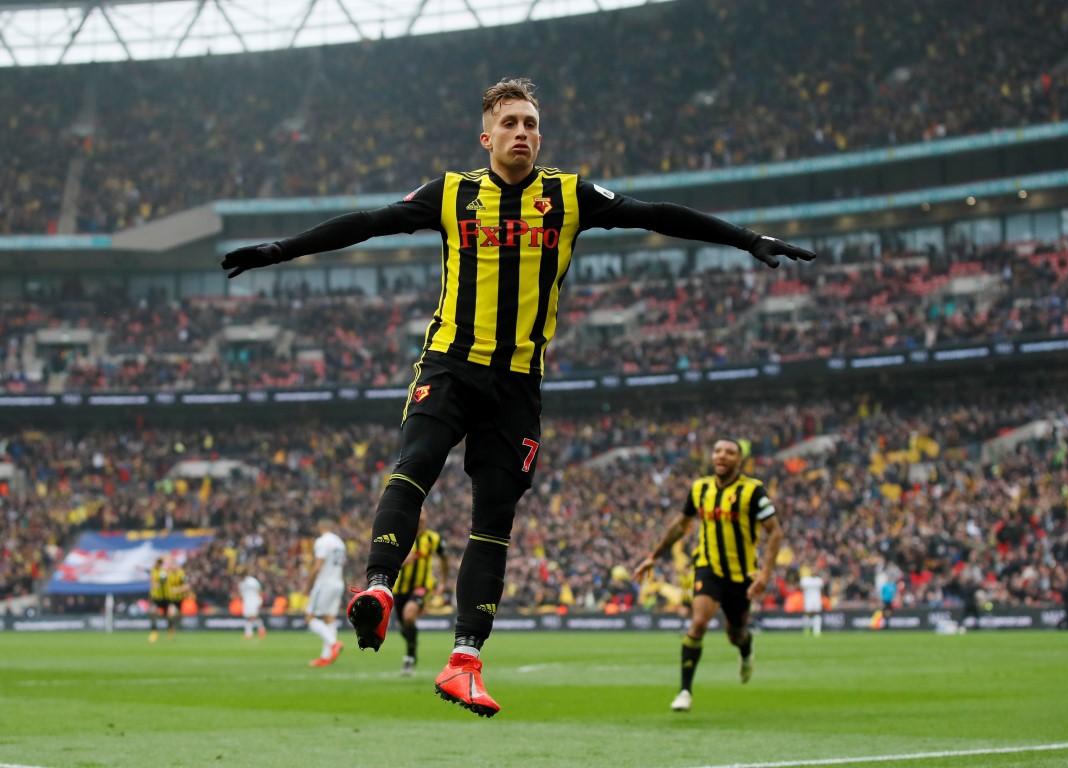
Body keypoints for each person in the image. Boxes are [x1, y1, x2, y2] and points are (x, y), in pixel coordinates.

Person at [221, 77, 815, 717]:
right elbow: (368, 223)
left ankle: (463, 663)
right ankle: (379, 588)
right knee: (414, 466)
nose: (524, 133)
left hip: (517, 385)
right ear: (487, 137)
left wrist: (746, 238)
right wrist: (282, 249)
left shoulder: (568, 195)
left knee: (493, 523)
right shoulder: (452, 194)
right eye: (511, 123)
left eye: (532, 123)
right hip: (451, 363)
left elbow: (657, 214)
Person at [632, 437, 784, 713]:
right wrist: (653, 556)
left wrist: (765, 574)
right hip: (708, 567)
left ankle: (746, 649)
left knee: (735, 633)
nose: (722, 456)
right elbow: (681, 525)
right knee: (699, 623)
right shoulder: (700, 488)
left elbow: (775, 531)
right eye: (717, 451)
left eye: (729, 452)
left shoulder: (753, 491)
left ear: (739, 460)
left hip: (741, 574)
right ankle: (685, 691)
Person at [393, 508, 450, 676]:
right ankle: (412, 643)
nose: (420, 520)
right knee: (405, 627)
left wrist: (444, 582)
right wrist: (401, 561)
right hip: (399, 588)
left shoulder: (434, 539)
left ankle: (410, 657)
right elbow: (388, 559)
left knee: (409, 614)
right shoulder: (401, 537)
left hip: (423, 586)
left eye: (423, 516)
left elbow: (444, 559)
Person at [304, 518, 347, 667]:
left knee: (310, 617)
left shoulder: (322, 541)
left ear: (320, 526)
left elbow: (318, 566)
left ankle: (334, 644)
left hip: (325, 583)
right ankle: (326, 656)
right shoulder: (340, 543)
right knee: (329, 619)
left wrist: (308, 583)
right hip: (338, 582)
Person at [149, 556, 189, 642]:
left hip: (174, 599)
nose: (172, 566)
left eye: (173, 564)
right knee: (153, 611)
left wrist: (177, 590)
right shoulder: (163, 573)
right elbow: (156, 580)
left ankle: (171, 628)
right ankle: (154, 631)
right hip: (161, 598)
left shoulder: (181, 573)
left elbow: (187, 585)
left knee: (172, 615)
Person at [238, 566, 267, 640]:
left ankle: (253, 632)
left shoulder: (252, 581)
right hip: (246, 601)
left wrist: (260, 600)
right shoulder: (241, 583)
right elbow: (241, 593)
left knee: (253, 616)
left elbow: (258, 590)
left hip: (254, 600)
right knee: (249, 617)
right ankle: (256, 631)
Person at [799, 567, 825, 637]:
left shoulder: (819, 580)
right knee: (807, 614)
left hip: (817, 600)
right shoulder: (805, 580)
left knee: (817, 614)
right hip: (808, 599)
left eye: (815, 570)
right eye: (813, 570)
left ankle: (817, 631)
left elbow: (822, 591)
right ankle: (807, 629)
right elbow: (801, 589)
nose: (814, 572)